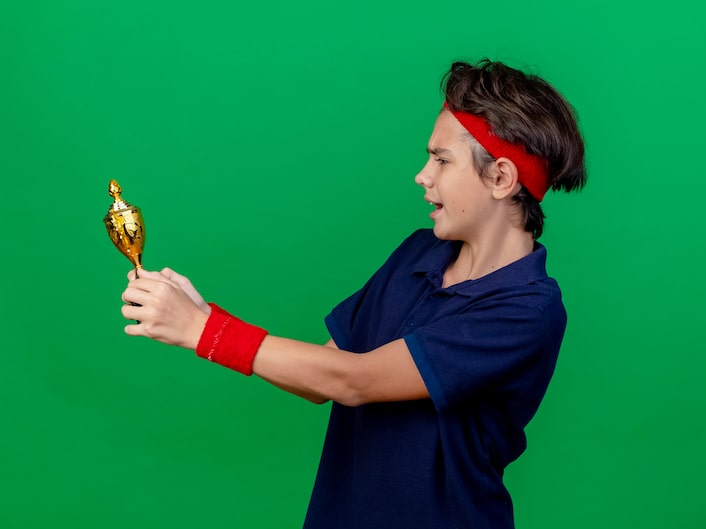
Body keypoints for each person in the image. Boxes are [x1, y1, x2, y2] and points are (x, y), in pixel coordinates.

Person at [121, 58, 586, 529]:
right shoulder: (419, 253)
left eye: (442, 160)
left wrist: (205, 330)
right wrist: (205, 316)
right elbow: (321, 378)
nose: (422, 175)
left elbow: (356, 381)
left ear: (501, 178)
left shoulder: (527, 310)